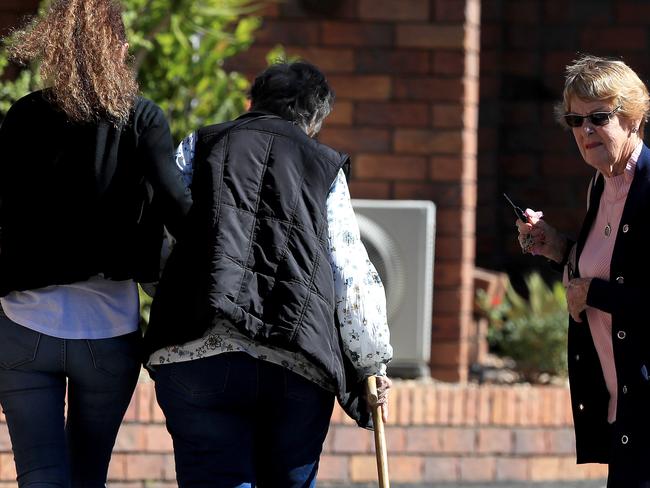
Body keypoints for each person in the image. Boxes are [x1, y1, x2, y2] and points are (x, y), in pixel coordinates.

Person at [143, 61, 393, 488]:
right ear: (314, 118)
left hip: (197, 348)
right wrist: (372, 359)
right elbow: (349, 270)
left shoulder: (203, 143)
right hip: (295, 360)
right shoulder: (323, 165)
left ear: (253, 101)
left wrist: (170, 284)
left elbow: (158, 226)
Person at [0, 0, 192, 486]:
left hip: (24, 323)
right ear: (120, 48)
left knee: (40, 477)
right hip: (108, 330)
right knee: (88, 477)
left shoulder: (23, 116)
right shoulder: (142, 118)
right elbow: (177, 205)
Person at [516, 54, 650, 487]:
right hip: (624, 410)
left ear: (632, 118)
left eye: (598, 117)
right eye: (575, 120)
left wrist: (594, 293)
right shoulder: (602, 183)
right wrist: (558, 247)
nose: (585, 131)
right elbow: (617, 267)